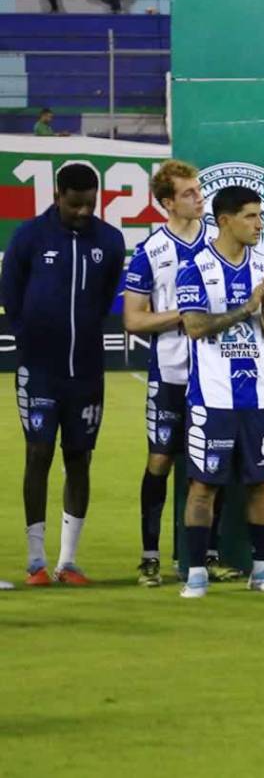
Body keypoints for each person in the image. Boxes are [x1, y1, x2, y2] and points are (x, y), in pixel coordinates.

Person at [0, 163, 125, 587]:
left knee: (79, 459)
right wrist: (29, 338)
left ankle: (68, 561)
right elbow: (11, 293)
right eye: (76, 204)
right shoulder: (30, 236)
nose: (84, 212)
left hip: (87, 371)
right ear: (57, 196)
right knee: (38, 455)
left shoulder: (110, 241)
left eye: (91, 203)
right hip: (40, 372)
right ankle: (36, 561)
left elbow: (107, 295)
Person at [175, 186, 264, 599]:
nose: (259, 224)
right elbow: (195, 327)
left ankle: (262, 572)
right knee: (203, 486)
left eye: (260, 217)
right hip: (213, 397)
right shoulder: (195, 267)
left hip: (259, 396)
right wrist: (247, 307)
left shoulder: (263, 265)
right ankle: (195, 574)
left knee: (262, 483)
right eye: (250, 217)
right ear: (224, 220)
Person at [123, 161, 228, 588]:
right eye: (188, 193)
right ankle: (150, 556)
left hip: (216, 373)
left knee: (210, 465)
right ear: (167, 202)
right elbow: (133, 320)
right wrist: (183, 317)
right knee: (161, 461)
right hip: (170, 373)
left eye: (199, 190)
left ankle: (209, 556)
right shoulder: (150, 251)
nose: (198, 197)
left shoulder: (219, 245)